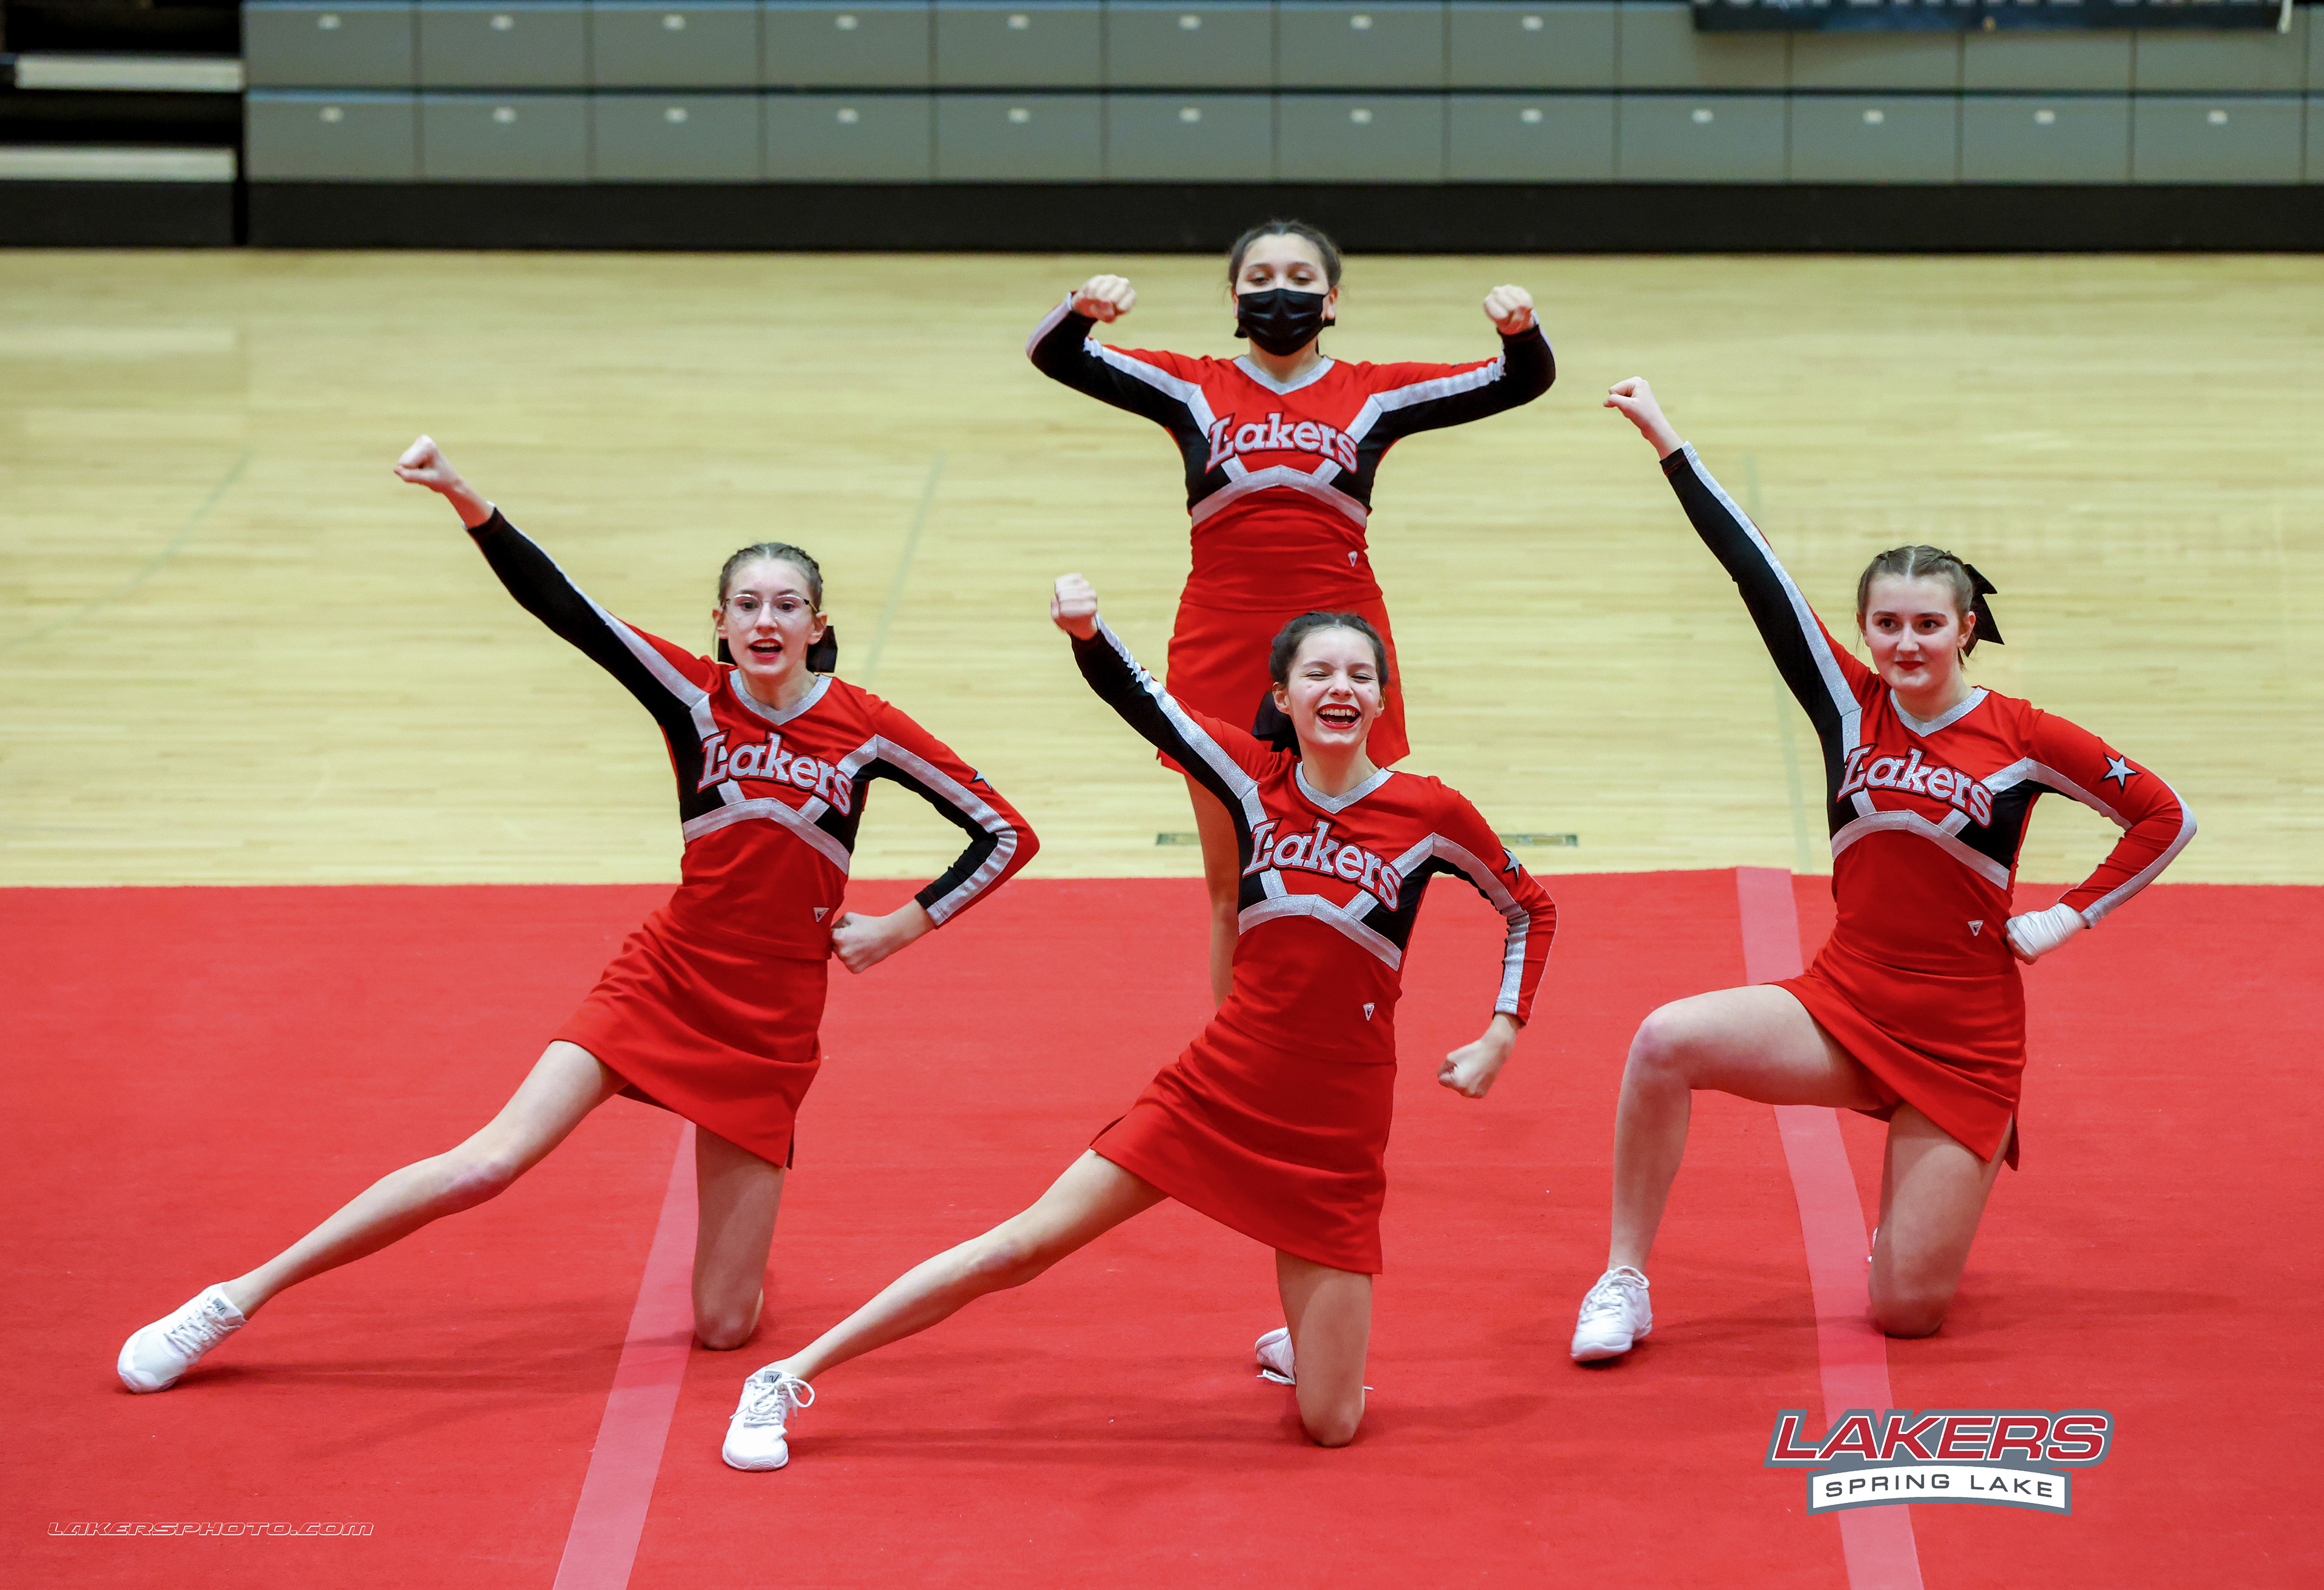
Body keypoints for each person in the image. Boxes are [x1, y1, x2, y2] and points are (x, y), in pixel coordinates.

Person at [116, 436, 1038, 1393]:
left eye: (786, 605)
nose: (766, 621)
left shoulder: (868, 728)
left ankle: (733, 1238)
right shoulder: (692, 694)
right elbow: (566, 606)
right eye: (747, 605)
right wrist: (465, 497)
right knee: (488, 1165)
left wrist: (901, 926)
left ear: (818, 623)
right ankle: (235, 1298)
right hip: (667, 979)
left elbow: (1007, 833)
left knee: (726, 1328)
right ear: (721, 623)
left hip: (772, 1023)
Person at [719, 575, 1557, 1470]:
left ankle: (1308, 1345)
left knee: (1333, 1424)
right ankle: (787, 1376)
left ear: (1383, 701)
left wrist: (1501, 1031)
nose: (1339, 688)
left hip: (1338, 1131)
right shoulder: (1251, 777)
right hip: (1221, 1088)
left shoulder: (1428, 813)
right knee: (1023, 1246)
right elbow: (1148, 704)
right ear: (1283, 697)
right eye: (1317, 673)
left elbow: (1530, 909)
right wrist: (1089, 631)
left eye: (1359, 674)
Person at [1571, 379, 2196, 1361]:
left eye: (1928, 625)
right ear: (1865, 629)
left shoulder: (2024, 736)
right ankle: (1624, 1279)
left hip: (1963, 1040)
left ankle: (1925, 1194)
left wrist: (2069, 915)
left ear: (1966, 629)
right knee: (1662, 1042)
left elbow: (2165, 815)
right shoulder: (1847, 702)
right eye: (1888, 624)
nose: (1907, 643)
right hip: (1843, 1007)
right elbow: (1756, 570)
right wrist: (1666, 439)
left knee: (1905, 1313)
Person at [1027, 218, 1554, 1004]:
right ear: (1235, 298)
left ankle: (1337, 1025)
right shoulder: (1189, 386)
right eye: (1262, 277)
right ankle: (1236, 1048)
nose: (1282, 292)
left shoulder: (1374, 393)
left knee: (1344, 864)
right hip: (1220, 646)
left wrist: (1521, 330)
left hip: (1340, 654)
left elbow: (1518, 380)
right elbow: (1055, 355)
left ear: (1332, 301)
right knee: (1233, 883)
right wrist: (1081, 309)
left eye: (1303, 280)